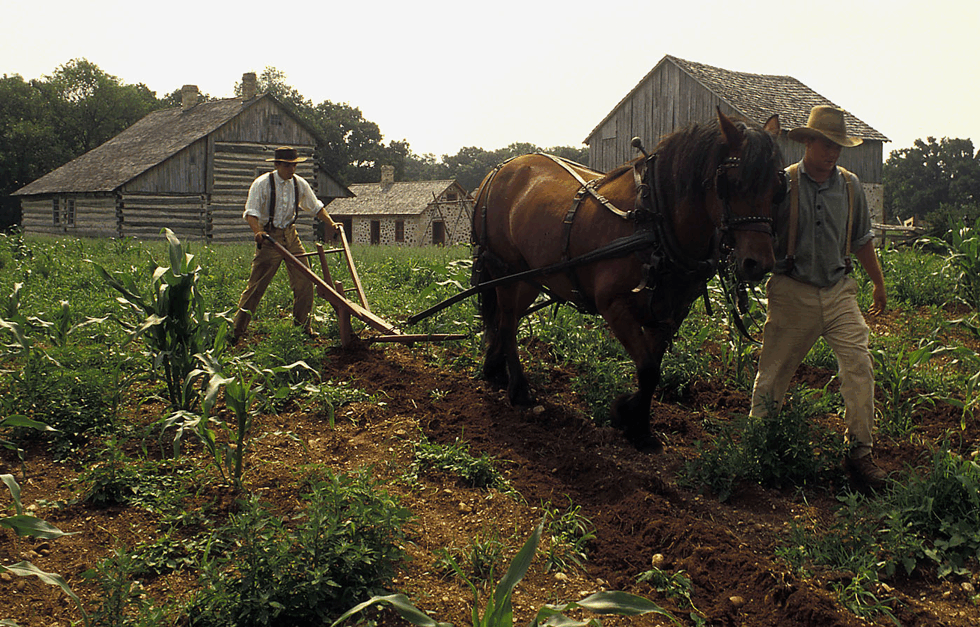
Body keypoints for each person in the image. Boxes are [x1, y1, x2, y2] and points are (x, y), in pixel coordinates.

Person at [750, 105, 888, 490]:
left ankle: (860, 454)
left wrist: (877, 283)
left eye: (838, 146)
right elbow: (758, 232)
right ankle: (758, 448)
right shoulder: (784, 184)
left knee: (859, 365)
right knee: (774, 373)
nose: (833, 153)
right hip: (793, 290)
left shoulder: (850, 185)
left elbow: (861, 240)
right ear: (808, 142)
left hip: (839, 290)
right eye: (826, 144)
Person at [231, 146, 341, 344]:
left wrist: (331, 224)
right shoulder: (262, 184)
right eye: (288, 165)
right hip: (268, 237)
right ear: (277, 165)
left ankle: (302, 327)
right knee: (256, 286)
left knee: (305, 280)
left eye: (294, 165)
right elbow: (251, 212)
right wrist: (258, 232)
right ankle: (236, 331)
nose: (292, 169)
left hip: (291, 236)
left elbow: (316, 207)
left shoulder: (299, 184)